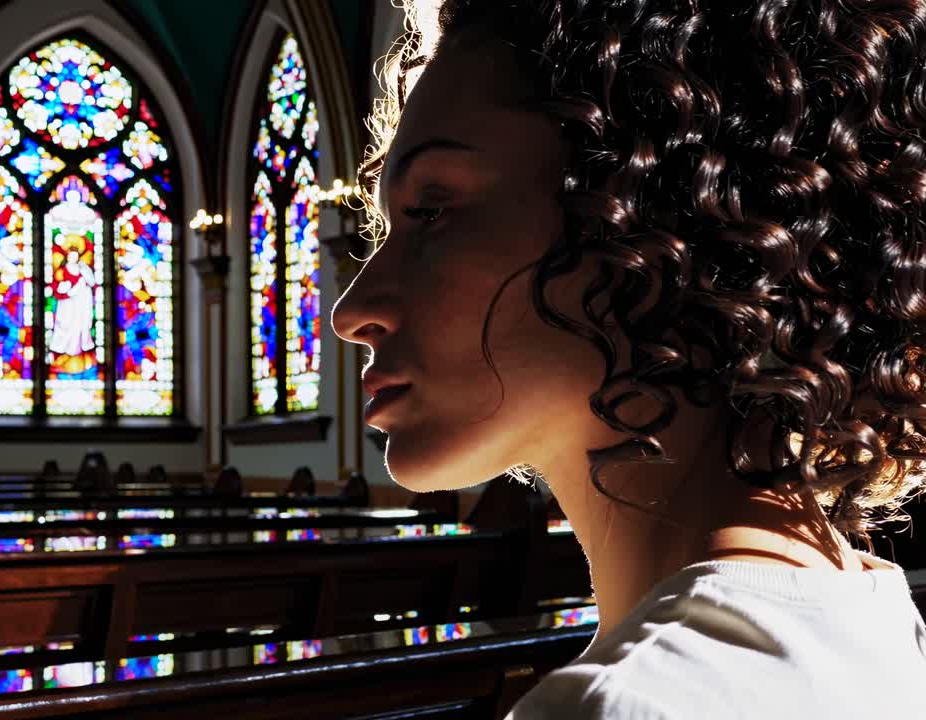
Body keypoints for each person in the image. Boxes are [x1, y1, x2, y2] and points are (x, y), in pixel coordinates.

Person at [331, 1, 926, 717]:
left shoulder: (626, 703)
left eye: (432, 210)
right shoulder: (870, 619)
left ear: (660, 210)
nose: (351, 312)